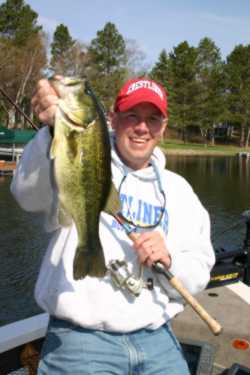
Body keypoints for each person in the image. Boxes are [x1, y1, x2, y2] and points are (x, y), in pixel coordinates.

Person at [11, 76, 215, 375]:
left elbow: (198, 272)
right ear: (112, 118)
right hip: (80, 341)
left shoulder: (180, 191)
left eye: (152, 119)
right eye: (132, 116)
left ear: (163, 126)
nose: (142, 127)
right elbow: (27, 196)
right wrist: (52, 131)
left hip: (157, 339)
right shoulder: (78, 156)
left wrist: (171, 259)